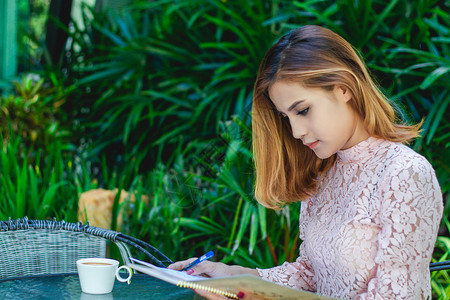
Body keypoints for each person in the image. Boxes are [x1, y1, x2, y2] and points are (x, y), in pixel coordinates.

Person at [168, 25, 444, 299]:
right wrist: (237, 277)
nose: (296, 131)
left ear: (343, 88)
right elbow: (310, 275)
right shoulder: (322, 175)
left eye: (303, 110)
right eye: (286, 117)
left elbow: (398, 296)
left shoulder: (405, 173)